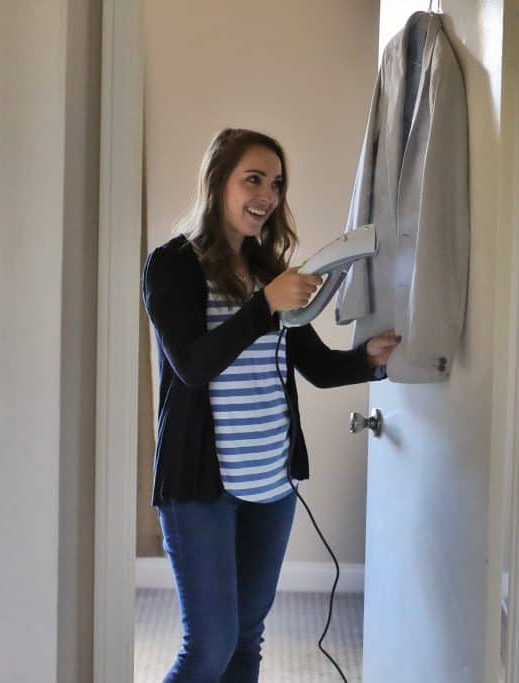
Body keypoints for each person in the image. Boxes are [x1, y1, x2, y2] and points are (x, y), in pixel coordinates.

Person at [141, 127, 400, 682]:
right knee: (208, 648)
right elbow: (192, 366)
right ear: (218, 184)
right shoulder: (171, 267)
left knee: (245, 641)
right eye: (253, 179)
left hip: (272, 485)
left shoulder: (269, 271)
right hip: (198, 490)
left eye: (276, 183)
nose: (267, 195)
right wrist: (264, 307)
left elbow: (319, 367)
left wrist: (372, 359)